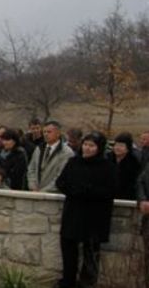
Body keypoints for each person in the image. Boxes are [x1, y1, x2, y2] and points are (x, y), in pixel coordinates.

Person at [55, 131, 116, 288]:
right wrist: (74, 190)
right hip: (73, 212)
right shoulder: (74, 162)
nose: (87, 149)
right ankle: (68, 281)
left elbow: (110, 190)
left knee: (91, 251)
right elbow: (61, 182)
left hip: (94, 215)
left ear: (99, 148)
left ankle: (87, 283)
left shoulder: (107, 166)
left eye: (92, 146)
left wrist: (88, 191)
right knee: (68, 248)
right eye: (86, 145)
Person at [27, 120, 73, 192]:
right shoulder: (39, 149)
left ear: (58, 133)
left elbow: (61, 175)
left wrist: (45, 190)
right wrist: (32, 186)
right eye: (44, 132)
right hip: (35, 192)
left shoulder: (66, 152)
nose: (46, 134)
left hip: (54, 194)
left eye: (49, 132)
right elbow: (31, 168)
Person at [108, 132, 140, 200]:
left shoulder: (133, 162)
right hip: (107, 196)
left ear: (128, 149)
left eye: (121, 146)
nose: (117, 148)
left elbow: (134, 183)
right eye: (116, 145)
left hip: (126, 198)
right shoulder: (107, 158)